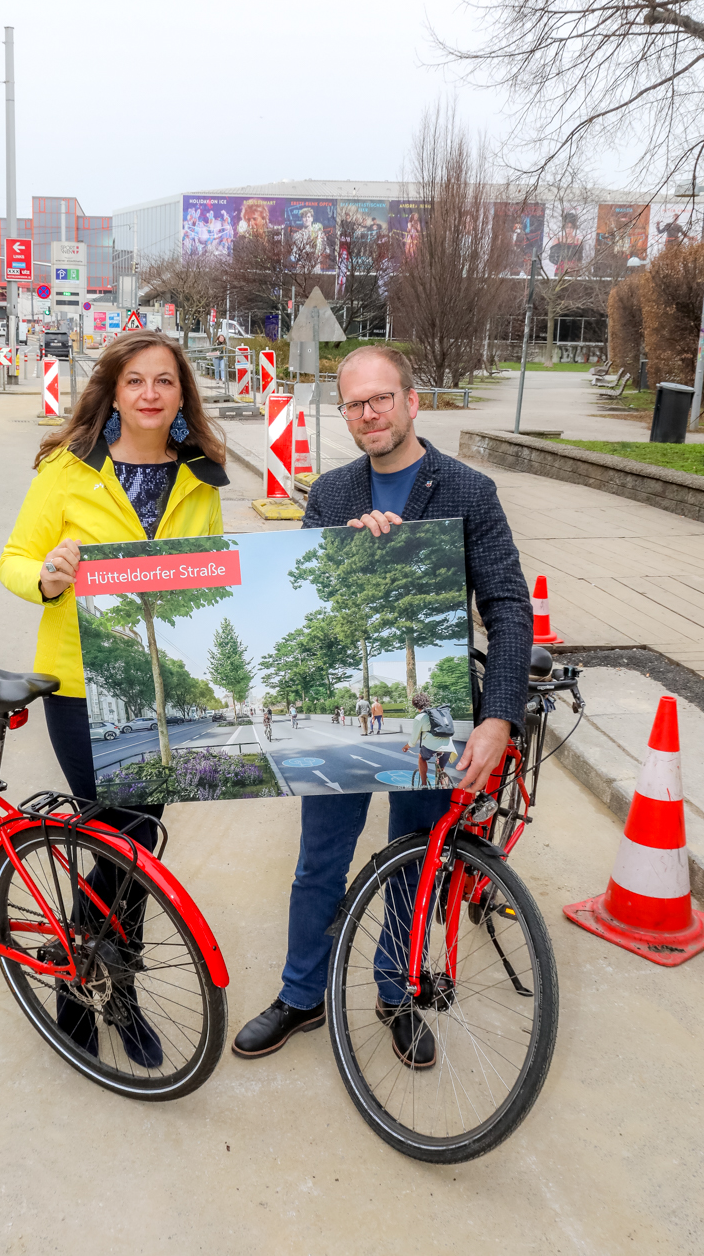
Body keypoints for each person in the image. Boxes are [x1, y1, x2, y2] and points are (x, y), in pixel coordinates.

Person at [232, 342, 532, 1068]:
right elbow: (301, 597)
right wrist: (345, 553)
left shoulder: (468, 491)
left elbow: (509, 610)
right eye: (355, 403)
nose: (368, 414)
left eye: (381, 399)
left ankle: (394, 992)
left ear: (410, 401)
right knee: (318, 863)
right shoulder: (331, 494)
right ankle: (300, 994)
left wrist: (497, 718)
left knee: (413, 863)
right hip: (352, 711)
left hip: (436, 719)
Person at [0, 330, 229, 1068]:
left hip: (162, 687)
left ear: (181, 396)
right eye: (136, 381)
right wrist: (49, 576)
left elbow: (209, 576)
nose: (151, 394)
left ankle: (111, 987)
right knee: (113, 841)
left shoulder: (201, 475)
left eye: (165, 381)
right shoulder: (69, 469)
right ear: (115, 391)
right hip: (76, 681)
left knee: (137, 848)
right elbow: (12, 558)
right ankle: (84, 988)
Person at [402, 690, 454, 786]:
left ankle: (424, 784)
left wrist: (406, 747)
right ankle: (446, 789)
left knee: (421, 758)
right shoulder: (439, 714)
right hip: (448, 745)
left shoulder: (420, 717)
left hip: (431, 746)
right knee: (441, 769)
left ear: (415, 705)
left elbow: (413, 739)